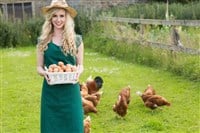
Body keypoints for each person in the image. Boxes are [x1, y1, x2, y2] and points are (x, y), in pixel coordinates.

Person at [36, 0, 84, 132]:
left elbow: (80, 65)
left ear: (67, 18)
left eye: (62, 16)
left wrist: (78, 72)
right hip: (51, 93)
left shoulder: (77, 40)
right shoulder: (43, 41)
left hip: (71, 92)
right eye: (55, 16)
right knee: (51, 127)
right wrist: (44, 73)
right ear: (50, 18)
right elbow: (39, 67)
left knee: (73, 126)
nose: (58, 20)